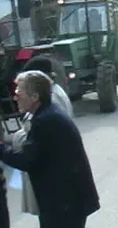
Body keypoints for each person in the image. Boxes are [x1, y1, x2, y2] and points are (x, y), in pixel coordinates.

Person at [0, 71, 100, 228]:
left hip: (64, 204)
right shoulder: (48, 113)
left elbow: (27, 160)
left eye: (20, 92)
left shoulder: (45, 121)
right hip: (67, 201)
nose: (15, 97)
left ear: (34, 97)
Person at [8, 55, 74, 216]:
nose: (16, 96)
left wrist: (7, 144)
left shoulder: (49, 108)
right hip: (59, 189)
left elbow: (29, 155)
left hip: (59, 193)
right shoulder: (50, 100)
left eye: (21, 90)